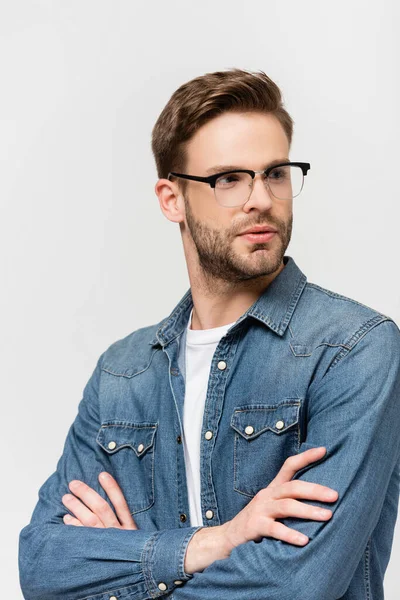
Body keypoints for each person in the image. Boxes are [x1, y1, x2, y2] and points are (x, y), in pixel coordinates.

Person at [19, 68, 400, 600]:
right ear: (171, 199)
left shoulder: (354, 349)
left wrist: (130, 567)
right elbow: (42, 565)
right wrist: (214, 542)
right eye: (229, 179)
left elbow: (294, 584)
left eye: (276, 173)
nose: (261, 199)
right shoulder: (122, 373)